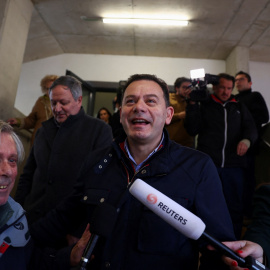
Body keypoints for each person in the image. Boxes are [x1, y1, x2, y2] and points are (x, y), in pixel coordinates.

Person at [30, 74, 236, 270]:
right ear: (120, 115)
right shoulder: (96, 161)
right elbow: (62, 217)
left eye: (151, 101)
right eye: (130, 101)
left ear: (168, 115)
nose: (139, 107)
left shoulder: (197, 167)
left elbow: (218, 248)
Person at [14, 75, 113, 225]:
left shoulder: (99, 130)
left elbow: (99, 183)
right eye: (54, 103)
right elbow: (27, 175)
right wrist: (17, 210)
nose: (57, 108)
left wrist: (77, 229)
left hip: (68, 223)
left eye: (63, 103)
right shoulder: (42, 131)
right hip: (32, 217)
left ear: (79, 100)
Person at [185, 73, 258, 239]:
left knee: (234, 206)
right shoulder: (204, 104)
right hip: (210, 165)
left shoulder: (238, 106)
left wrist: (246, 141)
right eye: (222, 88)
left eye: (229, 88)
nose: (225, 92)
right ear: (215, 87)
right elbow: (192, 128)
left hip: (234, 166)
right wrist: (192, 105)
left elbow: (251, 128)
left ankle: (234, 243)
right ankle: (207, 243)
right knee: (207, 205)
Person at [235, 71, 269, 218]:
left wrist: (244, 122)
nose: (238, 82)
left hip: (251, 145)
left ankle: (249, 214)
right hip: (233, 146)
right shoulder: (233, 99)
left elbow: (264, 116)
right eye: (236, 80)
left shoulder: (255, 96)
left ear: (250, 83)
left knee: (249, 181)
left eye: (241, 79)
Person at [0, 120, 33, 269]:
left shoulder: (18, 219)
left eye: (12, 160)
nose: (7, 170)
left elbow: (31, 261)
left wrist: (68, 257)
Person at [7, 75, 58, 145]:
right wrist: (18, 121)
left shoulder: (62, 103)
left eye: (52, 88)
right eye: (47, 88)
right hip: (38, 141)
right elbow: (32, 120)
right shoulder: (41, 101)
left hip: (55, 142)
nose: (49, 91)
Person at [166, 77, 195, 147]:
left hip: (188, 145)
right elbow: (160, 119)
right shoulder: (168, 99)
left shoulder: (192, 102)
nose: (187, 90)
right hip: (170, 144)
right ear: (177, 88)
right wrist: (178, 116)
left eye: (189, 88)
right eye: (184, 87)